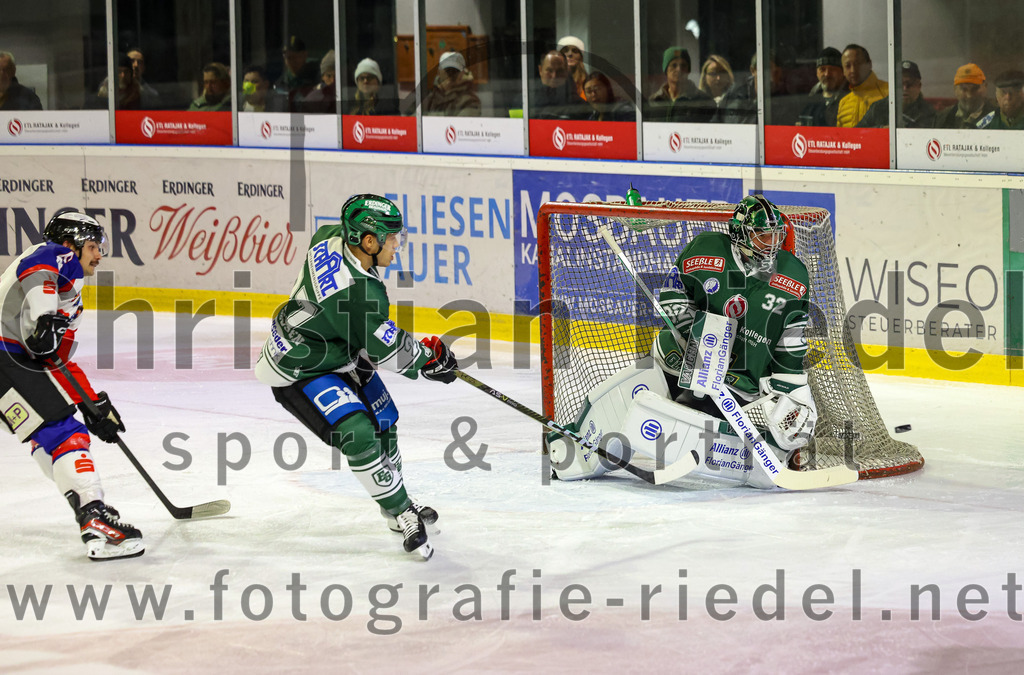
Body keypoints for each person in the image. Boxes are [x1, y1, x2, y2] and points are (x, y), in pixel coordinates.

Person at [549, 195, 815, 488]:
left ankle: (731, 456)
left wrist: (796, 392)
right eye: (763, 235)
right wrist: (692, 333)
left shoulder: (794, 275)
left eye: (776, 235)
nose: (772, 243)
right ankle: (577, 448)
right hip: (679, 358)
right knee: (629, 398)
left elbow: (789, 344)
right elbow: (673, 293)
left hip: (738, 382)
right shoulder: (705, 250)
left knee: (702, 425)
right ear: (740, 234)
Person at [254, 194, 458, 560]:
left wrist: (422, 352)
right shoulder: (360, 293)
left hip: (336, 347)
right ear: (368, 241)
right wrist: (430, 359)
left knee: (385, 420)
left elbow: (371, 333)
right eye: (391, 238)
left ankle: (397, 504)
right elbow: (388, 351)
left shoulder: (330, 236)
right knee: (359, 433)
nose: (397, 245)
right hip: (300, 365)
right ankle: (400, 510)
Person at [0, 210, 142, 560]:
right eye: (92, 245)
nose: (99, 254)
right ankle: (93, 515)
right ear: (70, 245)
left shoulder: (72, 299)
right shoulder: (50, 255)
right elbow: (36, 269)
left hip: (11, 360)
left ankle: (88, 509)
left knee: (47, 435)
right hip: (5, 356)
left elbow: (57, 358)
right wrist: (45, 314)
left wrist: (94, 405)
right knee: (62, 433)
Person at [857, 60, 935, 129]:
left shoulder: (929, 113)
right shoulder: (878, 108)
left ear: (919, 86)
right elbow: (856, 133)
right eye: (900, 84)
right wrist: (881, 130)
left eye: (910, 84)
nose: (905, 88)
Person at [647, 46, 715, 123]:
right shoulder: (654, 101)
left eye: (683, 65)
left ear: (688, 70)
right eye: (674, 65)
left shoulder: (704, 101)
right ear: (666, 70)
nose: (679, 69)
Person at [835, 44, 888, 127]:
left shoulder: (889, 92)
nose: (853, 70)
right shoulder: (843, 102)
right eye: (848, 66)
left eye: (857, 64)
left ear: (869, 64)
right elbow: (840, 138)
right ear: (843, 71)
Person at [933, 63, 997, 129]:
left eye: (975, 89)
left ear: (985, 86)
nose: (969, 96)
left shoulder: (999, 118)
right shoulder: (942, 118)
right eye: (964, 89)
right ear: (955, 89)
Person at [268, 35, 320, 112]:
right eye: (288, 57)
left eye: (295, 57)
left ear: (304, 55)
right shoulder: (280, 84)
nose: (291, 62)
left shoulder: (317, 76)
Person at [798, 47, 847, 127]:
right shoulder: (811, 99)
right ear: (817, 73)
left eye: (832, 69)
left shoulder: (852, 98)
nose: (827, 74)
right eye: (822, 69)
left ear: (842, 72)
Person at [531, 50, 587, 119]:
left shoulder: (580, 107)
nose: (554, 76)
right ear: (540, 70)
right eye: (549, 70)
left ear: (567, 71)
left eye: (560, 71)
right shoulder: (528, 101)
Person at [422, 51, 481, 117]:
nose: (451, 75)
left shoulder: (470, 101)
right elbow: (414, 120)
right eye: (447, 70)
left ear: (462, 73)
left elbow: (462, 124)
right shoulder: (429, 98)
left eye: (455, 71)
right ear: (439, 72)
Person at [557, 35, 588, 101]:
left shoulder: (588, 82)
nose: (570, 54)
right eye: (565, 50)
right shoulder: (553, 81)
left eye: (575, 51)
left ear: (581, 57)